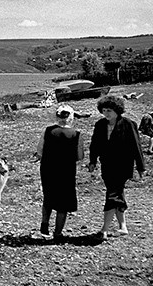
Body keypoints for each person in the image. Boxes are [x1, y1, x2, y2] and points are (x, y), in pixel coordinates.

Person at [88, 95, 146, 240]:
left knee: (113, 194)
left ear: (117, 110)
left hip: (122, 165)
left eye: (109, 110)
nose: (106, 113)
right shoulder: (100, 124)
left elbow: (136, 146)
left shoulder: (128, 124)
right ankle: (123, 227)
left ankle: (104, 230)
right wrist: (92, 161)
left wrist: (140, 166)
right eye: (104, 110)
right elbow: (95, 144)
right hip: (107, 165)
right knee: (117, 194)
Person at [36, 104, 85, 240]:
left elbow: (40, 150)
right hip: (66, 171)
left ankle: (44, 225)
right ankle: (57, 233)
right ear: (71, 117)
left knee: (49, 197)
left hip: (48, 168)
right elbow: (80, 156)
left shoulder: (47, 130)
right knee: (63, 202)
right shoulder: (76, 134)